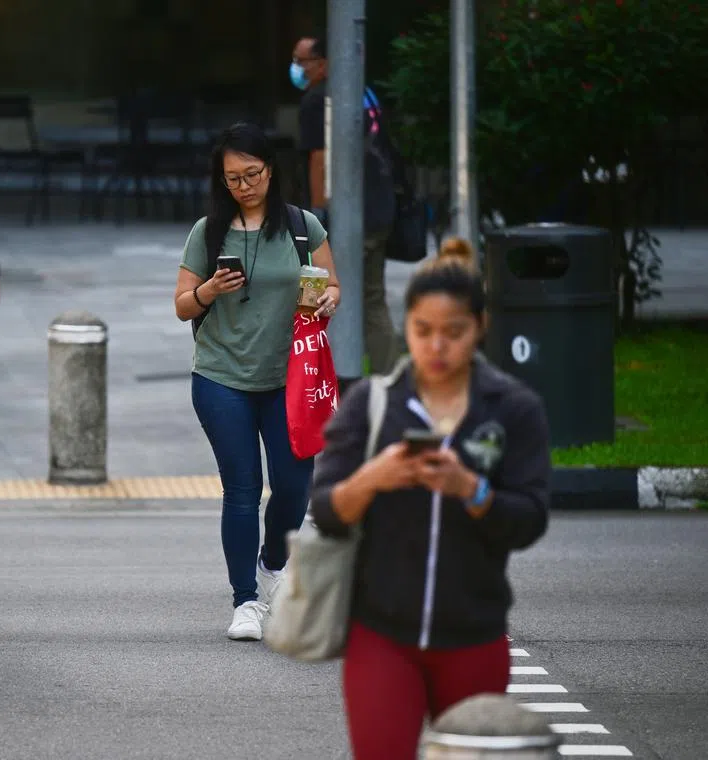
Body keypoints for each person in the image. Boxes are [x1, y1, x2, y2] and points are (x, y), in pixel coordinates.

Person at [308, 238, 551, 759]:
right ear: (407, 328)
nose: (436, 347)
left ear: (480, 329)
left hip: (474, 634)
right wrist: (372, 478)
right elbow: (326, 510)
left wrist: (472, 490)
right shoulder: (372, 404)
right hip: (381, 635)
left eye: (453, 333)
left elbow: (529, 519)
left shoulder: (512, 409)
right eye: (422, 331)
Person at [173, 122, 341, 642]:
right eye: (232, 179)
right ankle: (245, 599)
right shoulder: (208, 231)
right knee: (241, 488)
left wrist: (331, 298)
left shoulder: (301, 226)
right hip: (222, 376)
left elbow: (330, 283)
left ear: (271, 170)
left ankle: (273, 562)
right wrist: (209, 290)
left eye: (252, 175)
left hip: (289, 378)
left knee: (294, 487)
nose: (243, 187)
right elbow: (182, 306)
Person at [291, 34, 401, 378]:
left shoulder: (317, 101)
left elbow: (318, 162)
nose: (296, 68)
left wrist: (316, 215)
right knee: (373, 299)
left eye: (302, 61)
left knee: (314, 294)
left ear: (323, 64)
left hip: (344, 218)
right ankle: (387, 379)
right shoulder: (362, 92)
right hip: (379, 209)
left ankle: (316, 378)